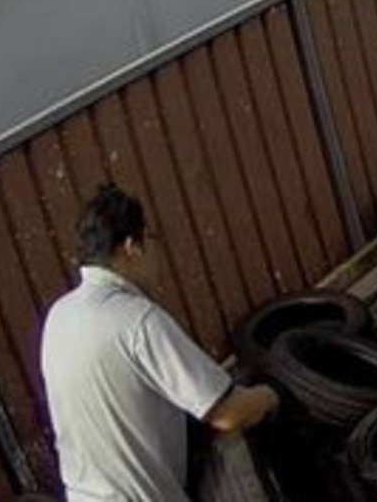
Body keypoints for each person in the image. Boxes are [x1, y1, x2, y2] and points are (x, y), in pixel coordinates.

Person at [41, 183, 280, 501]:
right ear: (131, 246)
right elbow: (227, 412)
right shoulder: (137, 320)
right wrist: (270, 394)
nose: (158, 254)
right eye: (152, 240)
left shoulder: (59, 317)